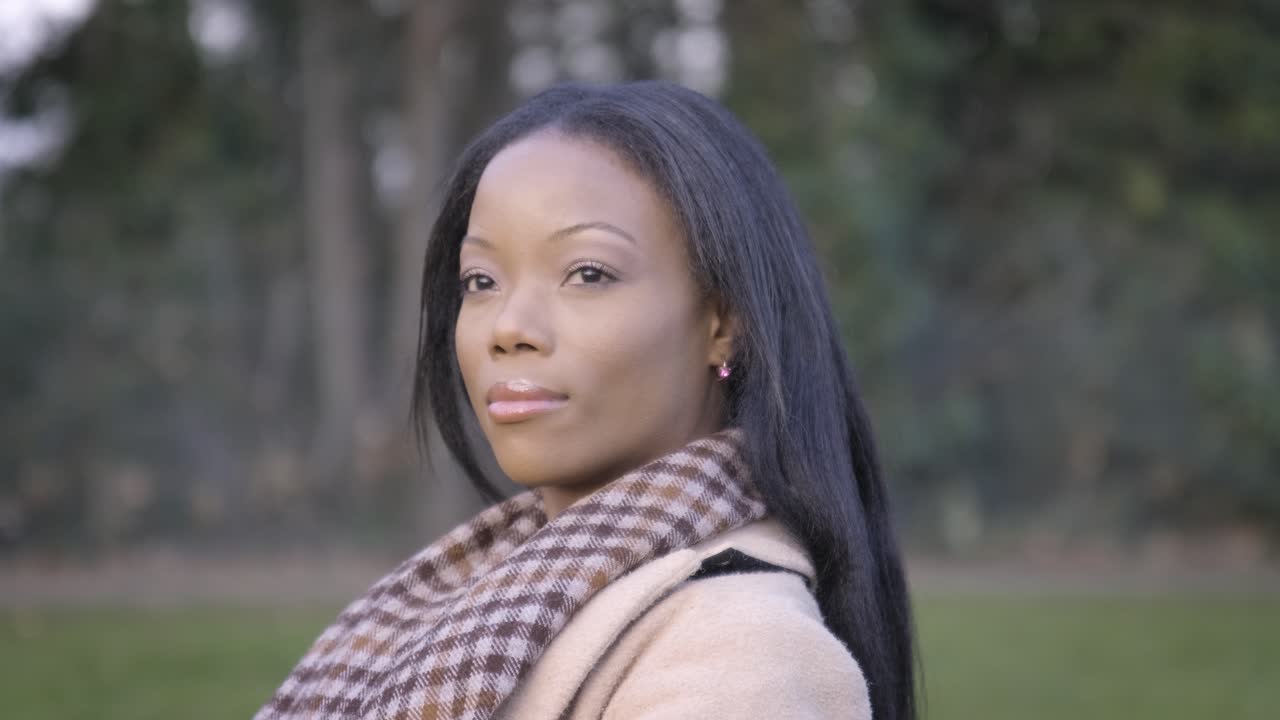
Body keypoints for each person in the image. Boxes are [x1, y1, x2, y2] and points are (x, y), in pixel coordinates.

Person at [256, 81, 916, 720]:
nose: (509, 327)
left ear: (723, 323)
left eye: (588, 273)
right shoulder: (479, 590)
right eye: (480, 280)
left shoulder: (743, 657)